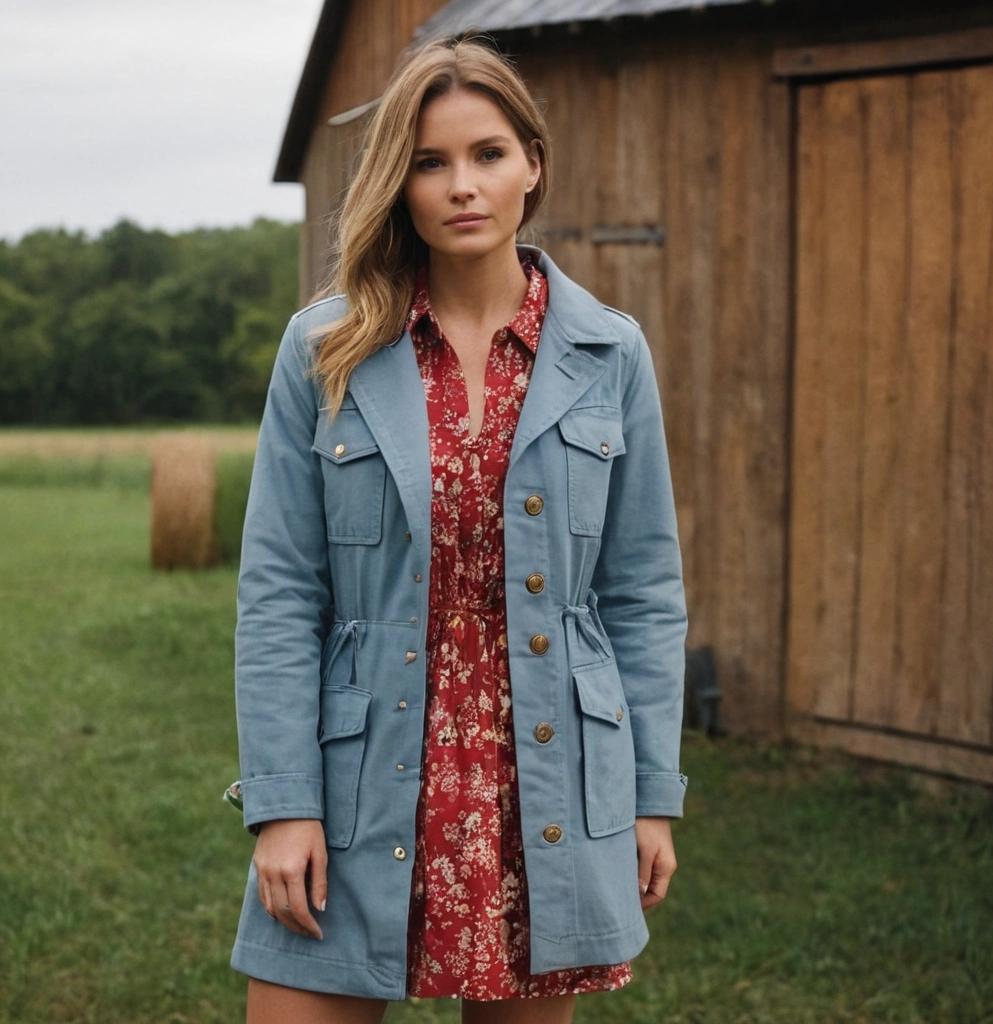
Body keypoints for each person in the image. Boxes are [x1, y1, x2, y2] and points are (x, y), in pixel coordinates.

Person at [230, 33, 688, 1024]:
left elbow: (644, 594)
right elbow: (278, 594)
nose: (461, 186)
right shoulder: (327, 350)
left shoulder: (611, 353)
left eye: (486, 154)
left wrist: (651, 794)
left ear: (534, 163)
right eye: (429, 162)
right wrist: (281, 803)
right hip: (359, 776)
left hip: (547, 786)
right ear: (399, 184)